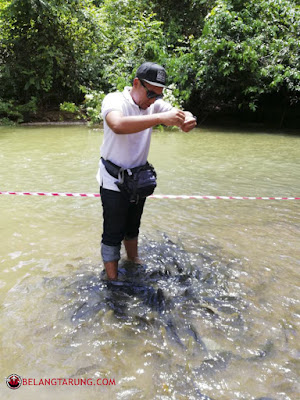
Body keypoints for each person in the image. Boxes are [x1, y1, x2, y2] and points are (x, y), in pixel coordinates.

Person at [96, 62, 197, 280]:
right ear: (136, 83)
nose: (153, 100)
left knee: (133, 226)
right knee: (113, 232)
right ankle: (112, 280)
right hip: (112, 179)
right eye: (151, 93)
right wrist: (160, 118)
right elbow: (118, 125)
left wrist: (187, 117)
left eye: (158, 96)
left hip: (138, 179)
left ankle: (133, 260)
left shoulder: (153, 104)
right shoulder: (114, 100)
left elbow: (180, 112)